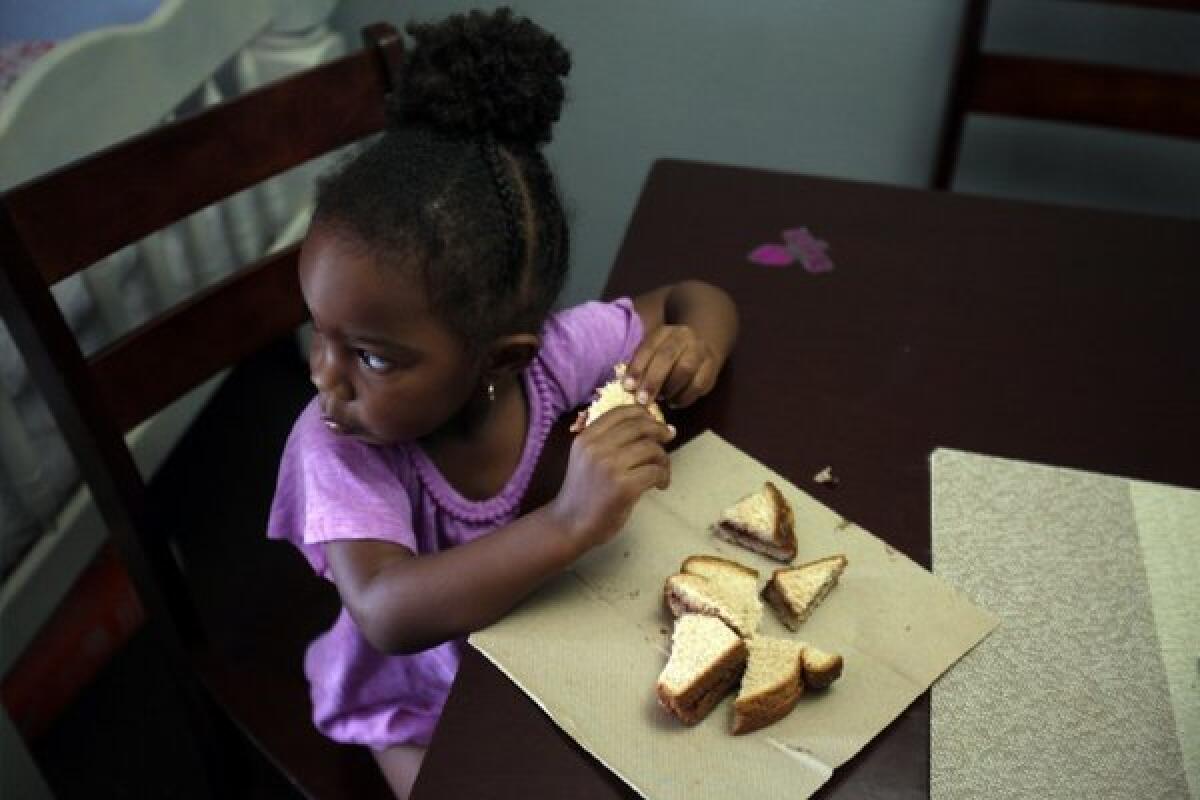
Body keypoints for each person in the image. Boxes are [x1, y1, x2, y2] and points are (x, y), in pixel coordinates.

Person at [267, 8, 738, 798]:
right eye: (319, 333)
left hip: (534, 645)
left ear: (502, 360)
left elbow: (696, 297)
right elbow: (384, 609)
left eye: (372, 355)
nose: (325, 376)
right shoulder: (338, 444)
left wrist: (698, 348)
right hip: (414, 695)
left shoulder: (553, 359)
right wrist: (568, 522)